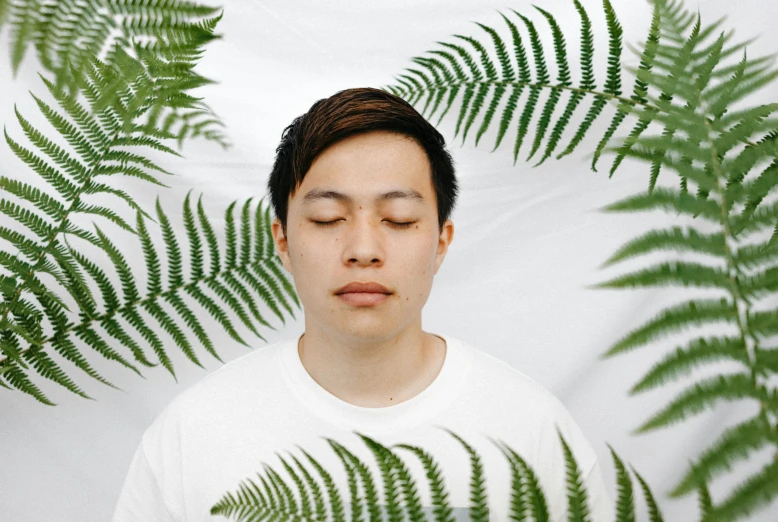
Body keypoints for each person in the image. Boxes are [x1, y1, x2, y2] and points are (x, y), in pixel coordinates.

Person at [111, 87, 613, 521]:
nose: (364, 249)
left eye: (397, 219)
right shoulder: (193, 435)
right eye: (329, 218)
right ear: (283, 242)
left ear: (441, 241)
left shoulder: (533, 432)